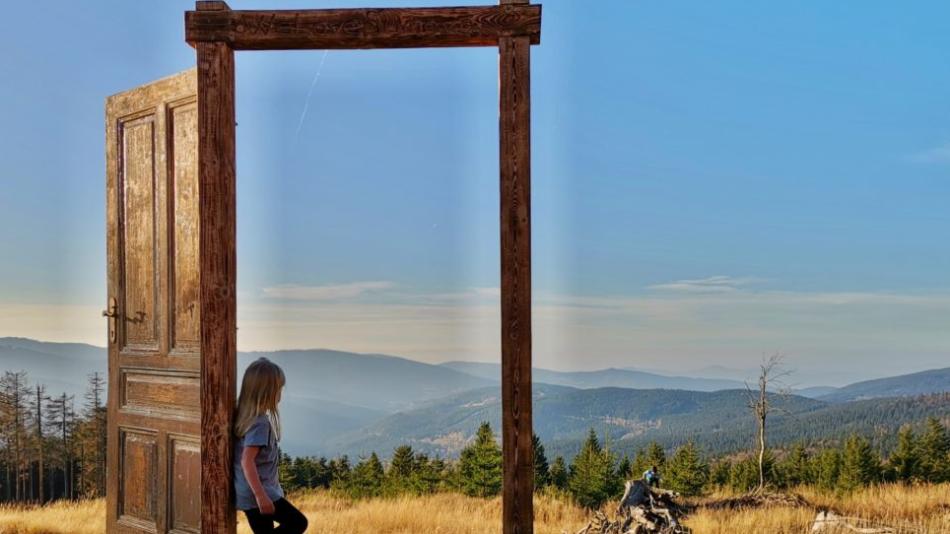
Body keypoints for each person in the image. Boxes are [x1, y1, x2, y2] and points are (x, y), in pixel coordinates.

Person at [234, 357, 308, 533]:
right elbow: (247, 461)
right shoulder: (260, 423)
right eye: (278, 389)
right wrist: (262, 497)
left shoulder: (243, 416)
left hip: (247, 491)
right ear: (267, 392)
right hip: (259, 493)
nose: (280, 394)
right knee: (298, 522)